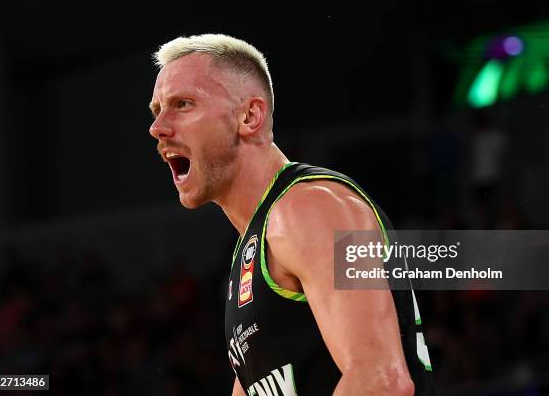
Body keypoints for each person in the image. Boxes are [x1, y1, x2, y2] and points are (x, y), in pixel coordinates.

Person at [148, 34, 434, 395]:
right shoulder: (253, 248)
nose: (157, 128)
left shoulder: (306, 208)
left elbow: (380, 382)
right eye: (157, 110)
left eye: (183, 104)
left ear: (250, 116)